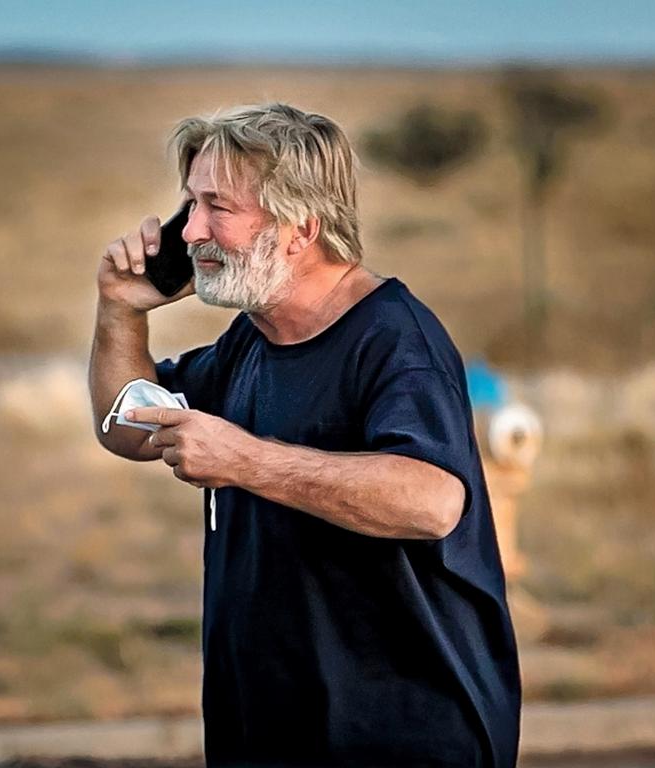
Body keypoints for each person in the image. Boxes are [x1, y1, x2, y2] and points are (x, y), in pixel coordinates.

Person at [88, 103, 520, 768]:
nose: (192, 230)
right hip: (269, 732)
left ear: (301, 228)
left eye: (217, 208)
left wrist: (246, 460)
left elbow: (432, 501)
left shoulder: (395, 341)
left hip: (399, 739)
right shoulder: (251, 342)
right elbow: (129, 425)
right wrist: (119, 309)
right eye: (189, 205)